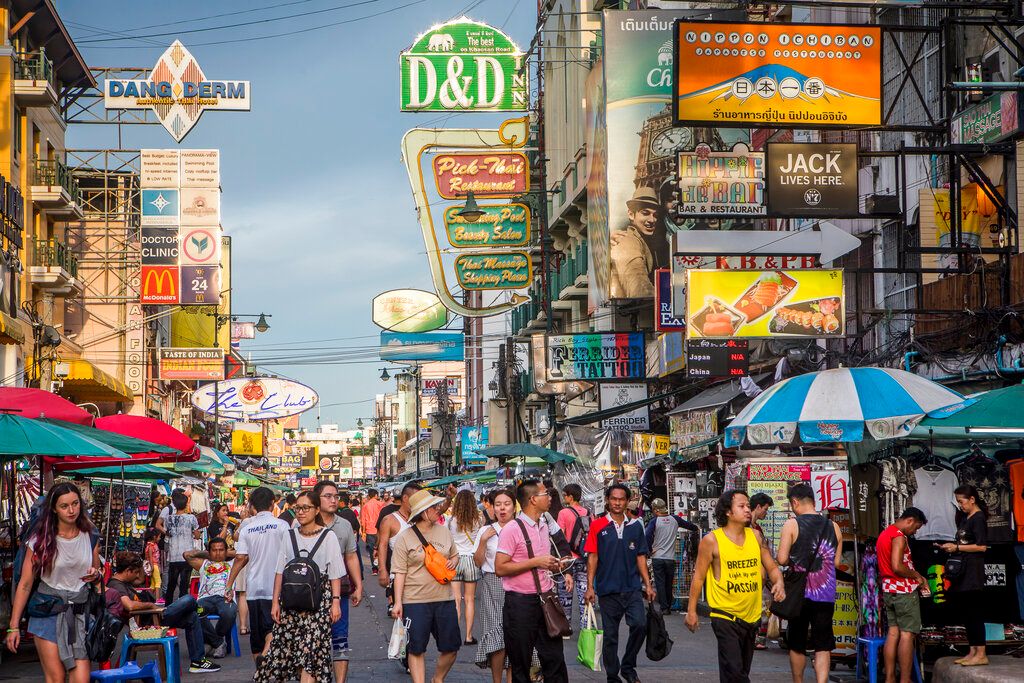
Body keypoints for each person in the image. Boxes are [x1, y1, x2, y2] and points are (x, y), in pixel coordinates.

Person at [686, 490, 785, 683]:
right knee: (736, 672)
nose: (748, 509)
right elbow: (698, 577)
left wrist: (779, 582)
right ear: (728, 512)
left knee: (737, 671)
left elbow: (772, 567)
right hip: (724, 615)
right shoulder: (711, 540)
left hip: (751, 616)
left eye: (748, 505)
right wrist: (691, 611)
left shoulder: (756, 536)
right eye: (742, 506)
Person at [6, 482, 101, 683]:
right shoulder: (40, 539)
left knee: (82, 678)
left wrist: (96, 575)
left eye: (75, 504)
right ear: (54, 509)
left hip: (79, 613)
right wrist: (13, 626)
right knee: (56, 678)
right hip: (47, 610)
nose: (71, 510)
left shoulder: (90, 535)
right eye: (64, 506)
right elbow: (25, 584)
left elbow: (96, 574)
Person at [256, 489, 344, 683]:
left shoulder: (328, 537)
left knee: (310, 655)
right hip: (290, 604)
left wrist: (335, 602)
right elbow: (280, 571)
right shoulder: (289, 535)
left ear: (316, 510)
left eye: (306, 508)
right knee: (287, 652)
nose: (301, 512)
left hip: (319, 605)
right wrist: (275, 603)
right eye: (298, 508)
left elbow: (335, 573)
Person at [495, 479, 569, 683]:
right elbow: (500, 568)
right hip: (520, 604)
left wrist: (554, 565)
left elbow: (541, 562)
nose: (550, 497)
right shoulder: (512, 529)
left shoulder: (544, 524)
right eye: (546, 494)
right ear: (533, 499)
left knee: (554, 659)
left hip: (545, 599)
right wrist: (536, 562)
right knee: (521, 663)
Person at [585, 484, 656, 683]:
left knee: (640, 625)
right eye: (614, 499)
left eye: (621, 499)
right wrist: (590, 587)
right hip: (608, 590)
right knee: (610, 636)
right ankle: (612, 675)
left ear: (627, 501)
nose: (617, 502)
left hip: (632, 587)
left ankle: (628, 665)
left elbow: (641, 557)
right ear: (608, 500)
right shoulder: (597, 526)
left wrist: (648, 585)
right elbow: (593, 557)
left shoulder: (635, 526)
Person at [105, 550, 221, 673]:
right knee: (189, 599)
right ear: (128, 571)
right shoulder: (116, 585)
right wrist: (151, 605)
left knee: (192, 617)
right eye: (136, 572)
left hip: (153, 616)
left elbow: (140, 581)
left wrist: (142, 570)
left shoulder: (124, 582)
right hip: (149, 621)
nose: (137, 576)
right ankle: (198, 609)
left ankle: (197, 662)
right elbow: (129, 606)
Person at [775, 483, 842, 683]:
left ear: (795, 502)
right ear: (813, 500)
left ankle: (799, 682)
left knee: (797, 641)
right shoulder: (834, 526)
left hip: (800, 594)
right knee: (823, 643)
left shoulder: (792, 525)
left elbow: (782, 558)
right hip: (826, 593)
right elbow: (836, 562)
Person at [392, 489, 461, 683]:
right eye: (434, 507)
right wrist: (398, 602)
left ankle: (437, 679)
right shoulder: (405, 538)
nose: (438, 509)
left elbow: (454, 555)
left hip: (444, 599)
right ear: (423, 511)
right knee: (416, 648)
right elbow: (400, 572)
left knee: (451, 647)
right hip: (415, 601)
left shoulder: (444, 531)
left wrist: (454, 562)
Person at [226, 487, 290, 660]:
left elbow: (240, 558)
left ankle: (260, 669)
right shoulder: (283, 526)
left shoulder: (248, 529)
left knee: (257, 635)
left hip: (254, 587)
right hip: (277, 587)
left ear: (252, 506)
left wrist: (229, 584)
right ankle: (267, 654)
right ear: (272, 504)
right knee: (273, 628)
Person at [312, 480, 363, 683]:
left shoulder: (344, 525)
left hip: (338, 591)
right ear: (317, 499)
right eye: (328, 496)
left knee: (340, 638)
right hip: (310, 593)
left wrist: (358, 585)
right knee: (314, 640)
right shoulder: (303, 523)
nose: (334, 500)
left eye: (336, 496)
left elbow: (351, 557)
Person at [937, 485, 990, 666]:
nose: (960, 505)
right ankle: (972, 650)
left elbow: (982, 546)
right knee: (967, 613)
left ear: (972, 499)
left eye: (962, 501)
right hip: (963, 571)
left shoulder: (978, 518)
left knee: (975, 612)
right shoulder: (965, 518)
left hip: (973, 573)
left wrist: (957, 547)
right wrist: (950, 546)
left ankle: (981, 653)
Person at [877, 508, 930, 683]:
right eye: (916, 527)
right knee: (907, 635)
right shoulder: (898, 536)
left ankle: (890, 677)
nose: (915, 532)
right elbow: (897, 567)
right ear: (909, 520)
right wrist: (918, 576)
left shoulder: (884, 534)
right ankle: (905, 679)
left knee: (893, 633)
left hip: (889, 590)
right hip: (904, 591)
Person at [473, 488, 516, 683]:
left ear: (514, 507)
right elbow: (478, 562)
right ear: (492, 508)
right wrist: (483, 540)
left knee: (516, 636)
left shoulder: (520, 528)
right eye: (498, 504)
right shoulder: (485, 531)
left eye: (506, 504)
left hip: (517, 583)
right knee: (496, 636)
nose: (502, 508)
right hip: (492, 584)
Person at [184, 537, 238, 658]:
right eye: (214, 550)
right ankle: (218, 643)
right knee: (194, 611)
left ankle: (212, 641)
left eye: (221, 550)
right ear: (209, 551)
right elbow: (186, 555)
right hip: (205, 599)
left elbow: (244, 555)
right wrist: (207, 554)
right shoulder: (203, 564)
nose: (218, 553)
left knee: (229, 612)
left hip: (224, 599)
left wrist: (227, 552)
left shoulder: (232, 564)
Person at [610, 186, 667, 299]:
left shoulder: (645, 240)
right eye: (645, 213)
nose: (652, 220)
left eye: (655, 215)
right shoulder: (627, 241)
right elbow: (638, 285)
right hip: (635, 312)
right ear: (631, 214)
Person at [645, 497, 700, 614]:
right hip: (670, 558)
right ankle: (668, 606)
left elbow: (647, 537)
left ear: (656, 510)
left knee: (660, 583)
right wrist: (697, 529)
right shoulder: (675, 519)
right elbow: (692, 527)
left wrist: (649, 550)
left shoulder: (654, 522)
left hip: (658, 557)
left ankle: (664, 607)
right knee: (669, 583)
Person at [447, 489, 482, 645]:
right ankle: (468, 636)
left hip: (455, 560)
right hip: (471, 561)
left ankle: (454, 634)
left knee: (456, 599)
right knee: (469, 600)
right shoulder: (478, 521)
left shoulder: (450, 521)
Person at [377, 482, 422, 591]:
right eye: (416, 498)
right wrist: (382, 570)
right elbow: (382, 546)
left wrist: (449, 498)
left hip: (421, 577)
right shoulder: (389, 520)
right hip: (399, 576)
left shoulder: (420, 518)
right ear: (405, 498)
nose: (419, 502)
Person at [556, 483, 590, 625]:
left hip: (568, 559)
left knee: (565, 595)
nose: (563, 498)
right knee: (584, 593)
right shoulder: (588, 512)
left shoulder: (563, 513)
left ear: (571, 496)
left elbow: (560, 537)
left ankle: (566, 626)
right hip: (584, 557)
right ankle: (586, 625)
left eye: (565, 495)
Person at [160, 490, 201, 603]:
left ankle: (168, 607)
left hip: (173, 555)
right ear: (186, 504)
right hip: (187, 555)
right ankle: (183, 608)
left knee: (171, 585)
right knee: (184, 585)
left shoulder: (168, 518)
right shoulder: (191, 518)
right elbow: (197, 536)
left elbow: (166, 531)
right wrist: (195, 533)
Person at [336, 491, 362, 575]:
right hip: (352, 542)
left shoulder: (340, 514)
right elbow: (357, 526)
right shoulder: (351, 512)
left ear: (342, 503)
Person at [360, 489, 385, 575]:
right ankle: (382, 567)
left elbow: (363, 520)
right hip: (380, 529)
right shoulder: (381, 504)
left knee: (371, 550)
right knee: (381, 548)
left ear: (369, 496)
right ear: (375, 496)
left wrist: (363, 532)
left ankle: (374, 569)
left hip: (369, 530)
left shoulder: (365, 506)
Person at [143, 527, 163, 603]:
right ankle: (157, 600)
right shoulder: (151, 546)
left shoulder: (149, 546)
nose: (160, 538)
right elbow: (150, 558)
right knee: (158, 582)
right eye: (159, 537)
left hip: (153, 565)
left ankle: (148, 598)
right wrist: (152, 567)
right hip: (154, 565)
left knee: (153, 584)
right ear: (154, 537)